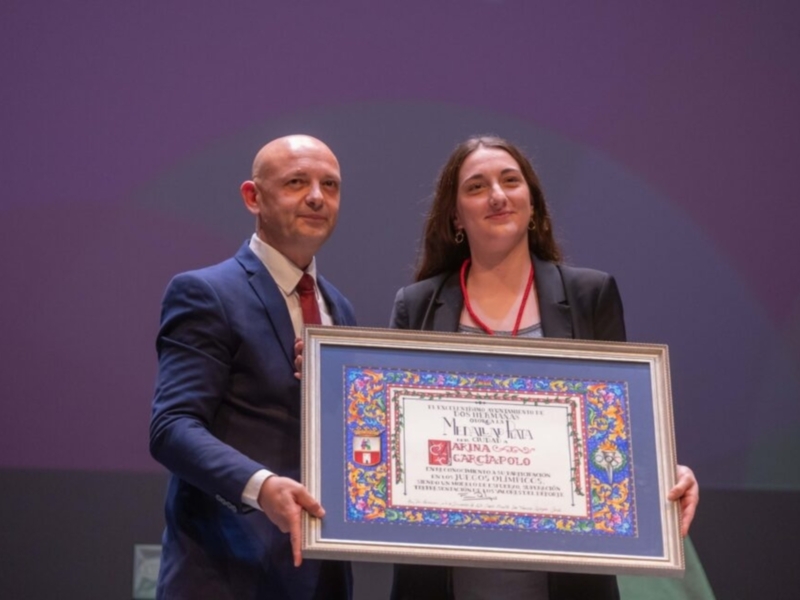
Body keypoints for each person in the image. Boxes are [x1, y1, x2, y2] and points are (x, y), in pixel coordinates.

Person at [389, 135, 699, 600]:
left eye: (510, 181)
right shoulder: (416, 305)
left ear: (532, 203)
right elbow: (394, 438)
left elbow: (617, 425)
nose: (497, 195)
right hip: (448, 571)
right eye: (476, 187)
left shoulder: (589, 294)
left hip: (566, 569)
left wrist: (664, 469)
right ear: (455, 217)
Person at [149, 135, 355, 600]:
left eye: (330, 185)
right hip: (226, 573)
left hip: (321, 579)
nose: (317, 197)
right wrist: (261, 488)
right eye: (296, 182)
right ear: (253, 197)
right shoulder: (206, 293)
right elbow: (172, 427)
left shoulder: (338, 310)